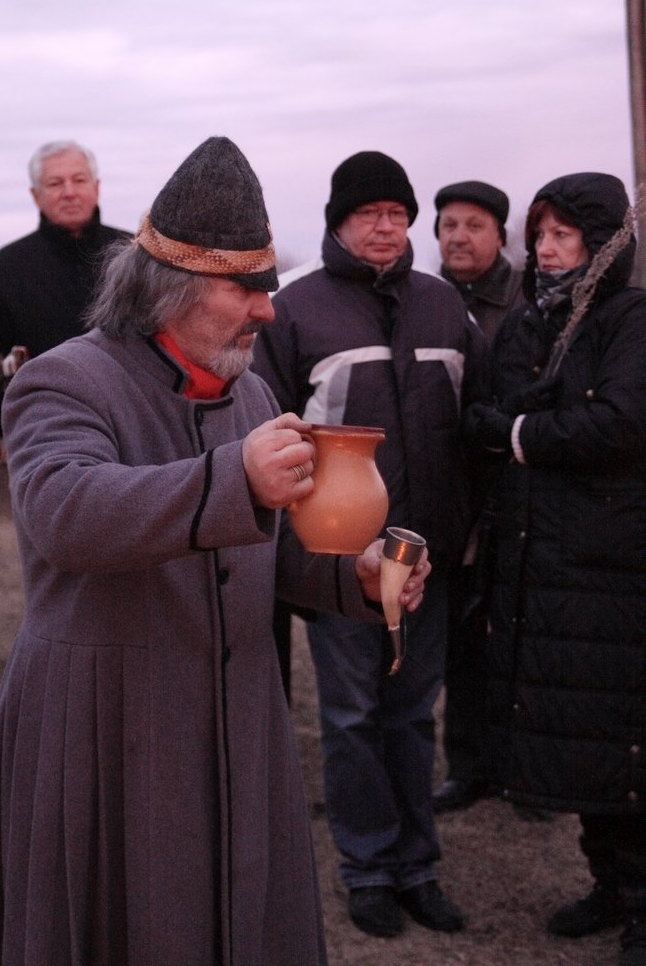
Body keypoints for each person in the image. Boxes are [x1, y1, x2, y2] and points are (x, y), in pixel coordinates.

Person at [0, 137, 430, 966]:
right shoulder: (62, 382)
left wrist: (354, 578)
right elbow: (64, 513)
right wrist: (232, 478)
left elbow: (265, 545)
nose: (266, 311)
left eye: (267, 287)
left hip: (239, 721)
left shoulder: (251, 392)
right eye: (243, 289)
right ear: (170, 288)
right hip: (105, 726)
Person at [253, 151, 488, 939]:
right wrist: (302, 550)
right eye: (368, 214)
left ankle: (418, 867)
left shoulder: (443, 305)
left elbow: (478, 419)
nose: (385, 227)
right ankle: (367, 868)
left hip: (427, 557)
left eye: (397, 214)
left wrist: (464, 532)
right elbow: (268, 433)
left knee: (413, 714)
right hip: (338, 560)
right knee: (352, 716)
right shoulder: (294, 309)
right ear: (338, 221)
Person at [466, 172, 646, 966]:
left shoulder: (629, 317)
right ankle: (608, 885)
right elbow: (504, 405)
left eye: (562, 235)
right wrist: (508, 426)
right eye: (538, 234)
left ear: (602, 245)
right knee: (576, 737)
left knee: (622, 737)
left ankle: (640, 903)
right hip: (538, 555)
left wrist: (515, 435)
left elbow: (619, 422)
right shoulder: (529, 321)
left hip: (611, 562)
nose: (543, 248)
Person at [431, 180, 523, 814]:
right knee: (461, 638)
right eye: (448, 226)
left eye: (474, 226)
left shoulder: (527, 301)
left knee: (521, 637)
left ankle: (526, 771)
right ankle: (467, 768)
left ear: (499, 236)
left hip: (518, 491)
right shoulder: (426, 299)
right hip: (453, 494)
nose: (459, 237)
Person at [0, 140, 130, 435]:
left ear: (96, 187)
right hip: (45, 435)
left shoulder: (135, 256)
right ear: (35, 195)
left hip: (140, 429)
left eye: (79, 180)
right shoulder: (5, 269)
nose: (69, 192)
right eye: (55, 183)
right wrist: (22, 431)